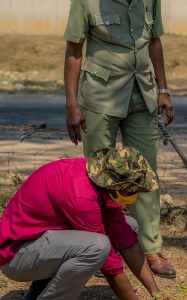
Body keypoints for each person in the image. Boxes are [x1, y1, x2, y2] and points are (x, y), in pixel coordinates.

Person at [63, 0, 175, 278]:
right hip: (100, 96)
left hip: (143, 94)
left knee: (145, 172)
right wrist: (72, 105)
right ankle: (101, 249)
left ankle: (151, 248)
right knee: (99, 175)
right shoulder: (85, 2)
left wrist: (163, 89)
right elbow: (74, 50)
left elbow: (154, 40)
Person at [0, 147, 170, 300]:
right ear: (115, 185)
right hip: (16, 256)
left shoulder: (101, 178)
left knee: (129, 225)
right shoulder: (81, 194)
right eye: (130, 189)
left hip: (41, 243)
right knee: (97, 247)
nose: (133, 193)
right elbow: (110, 264)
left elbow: (124, 236)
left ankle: (38, 292)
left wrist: (156, 293)